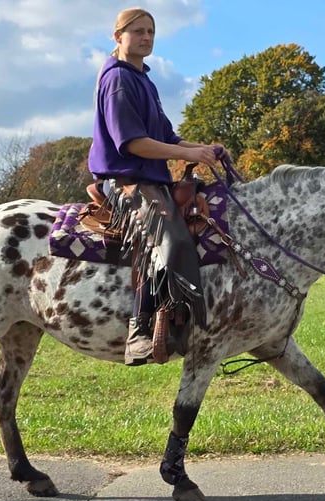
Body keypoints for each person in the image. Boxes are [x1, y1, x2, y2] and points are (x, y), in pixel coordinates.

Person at [88, 7, 226, 366]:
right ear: (118, 37)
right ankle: (139, 331)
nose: (146, 37)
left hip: (151, 179)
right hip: (126, 180)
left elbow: (166, 137)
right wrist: (187, 152)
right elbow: (133, 143)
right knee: (173, 238)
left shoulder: (144, 80)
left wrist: (202, 150)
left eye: (151, 31)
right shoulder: (118, 79)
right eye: (138, 31)